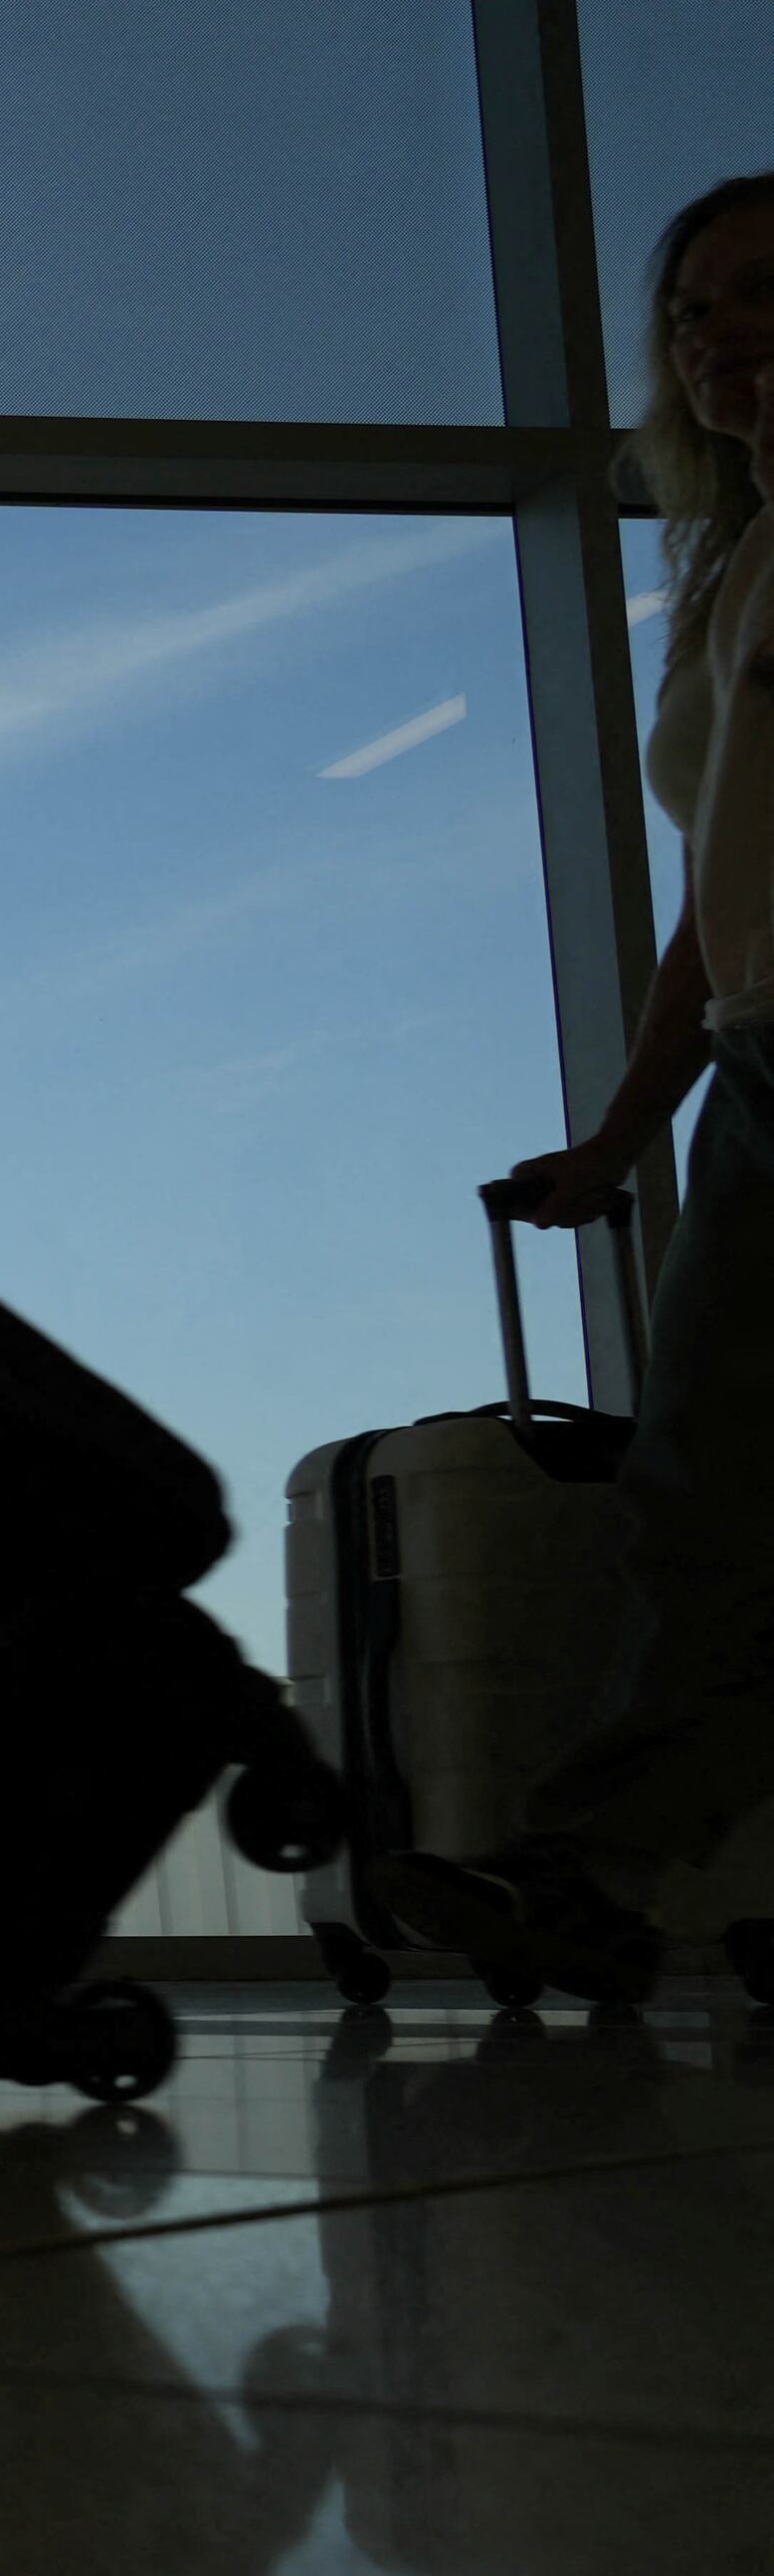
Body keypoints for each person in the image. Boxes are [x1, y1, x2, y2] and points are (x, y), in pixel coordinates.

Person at [385, 170, 774, 2007]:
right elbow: (725, 894)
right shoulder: (734, 564)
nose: (718, 340)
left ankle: (600, 1865)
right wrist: (633, 1126)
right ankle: (604, 1867)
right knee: (706, 1484)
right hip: (765, 1072)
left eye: (760, 296)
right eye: (692, 313)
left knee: (721, 1480)